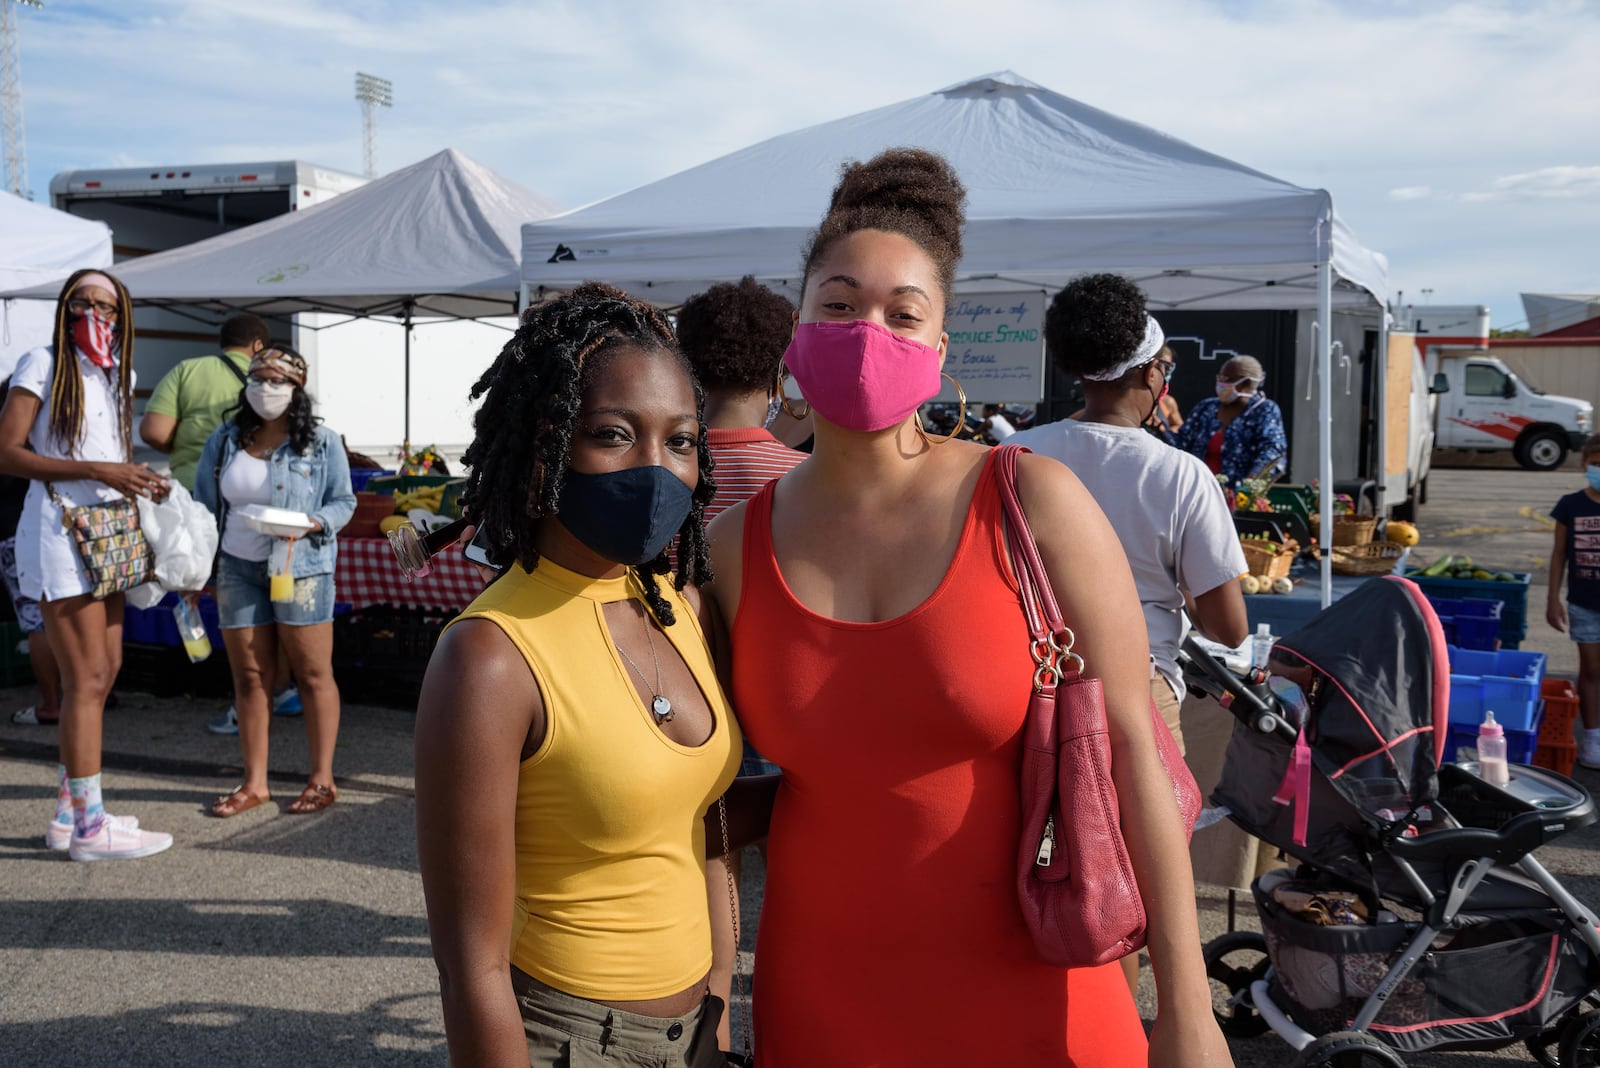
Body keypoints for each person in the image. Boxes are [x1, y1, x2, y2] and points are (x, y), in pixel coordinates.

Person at [706, 149, 1231, 1066]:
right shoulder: (731, 548)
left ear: (940, 350)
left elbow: (1134, 753)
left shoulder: (1032, 498)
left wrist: (1188, 1010)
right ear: (794, 335)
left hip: (1040, 986)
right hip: (823, 995)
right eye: (837, 304)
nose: (868, 328)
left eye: (902, 313)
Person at [414, 284, 742, 1065]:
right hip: (566, 1040)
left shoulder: (680, 606)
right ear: (544, 442)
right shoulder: (490, 656)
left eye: (682, 442)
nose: (654, 469)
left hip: (695, 1034)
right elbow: (472, 970)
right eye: (614, 434)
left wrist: (720, 1006)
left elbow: (700, 830)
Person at [1010, 272, 1250, 996]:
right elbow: (1229, 627)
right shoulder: (1178, 474)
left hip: (1027, 687)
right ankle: (1109, 1018)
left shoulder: (1015, 455)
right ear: (1150, 373)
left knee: (1023, 864)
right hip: (1136, 699)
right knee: (1131, 881)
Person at [0, 268, 174, 861]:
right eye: (83, 303)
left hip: (109, 535)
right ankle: (91, 830)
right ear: (65, 308)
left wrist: (136, 479)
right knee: (85, 679)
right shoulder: (42, 364)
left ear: (122, 317)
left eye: (107, 306)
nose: (95, 314)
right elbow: (8, 453)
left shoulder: (115, 372)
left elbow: (107, 452)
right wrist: (101, 472)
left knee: (106, 669)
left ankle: (67, 812)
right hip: (59, 534)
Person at [675, 274, 807, 1050]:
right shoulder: (803, 482)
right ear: (779, 370)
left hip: (683, 695)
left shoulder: (665, 472)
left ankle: (713, 1031)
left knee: (707, 860)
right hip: (785, 699)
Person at [193, 346, 354, 817]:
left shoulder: (320, 442)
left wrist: (313, 522)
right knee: (249, 676)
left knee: (311, 673)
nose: (267, 389)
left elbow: (344, 502)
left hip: (299, 566)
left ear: (297, 389)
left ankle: (322, 779)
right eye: (259, 379)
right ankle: (254, 783)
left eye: (279, 381)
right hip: (237, 567)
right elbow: (204, 506)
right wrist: (196, 566)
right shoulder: (225, 439)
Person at [139, 312, 302, 732]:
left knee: (225, 604)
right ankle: (278, 688)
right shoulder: (273, 377)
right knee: (278, 603)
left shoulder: (188, 371)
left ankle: (244, 697)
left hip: (199, 508)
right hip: (271, 509)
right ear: (257, 347)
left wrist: (188, 439)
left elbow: (153, 431)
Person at [0, 377, 64, 726]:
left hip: (15, 536)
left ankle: (51, 704)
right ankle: (85, 690)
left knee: (36, 622)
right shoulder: (55, 437)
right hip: (62, 533)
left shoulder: (10, 444)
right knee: (66, 617)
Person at [1547, 435, 1600, 770]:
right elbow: (1558, 555)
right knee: (1592, 670)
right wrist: (1552, 599)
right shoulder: (1570, 505)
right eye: (1596, 463)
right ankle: (1592, 737)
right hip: (1583, 602)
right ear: (1584, 464)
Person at [1173, 354, 1287, 488]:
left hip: (1237, 499)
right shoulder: (1206, 407)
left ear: (1247, 383)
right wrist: (1160, 429)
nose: (1221, 384)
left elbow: (1272, 452)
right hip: (1198, 492)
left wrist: (1250, 485)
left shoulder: (1265, 410)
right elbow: (1180, 445)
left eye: (1227, 380)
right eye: (1220, 378)